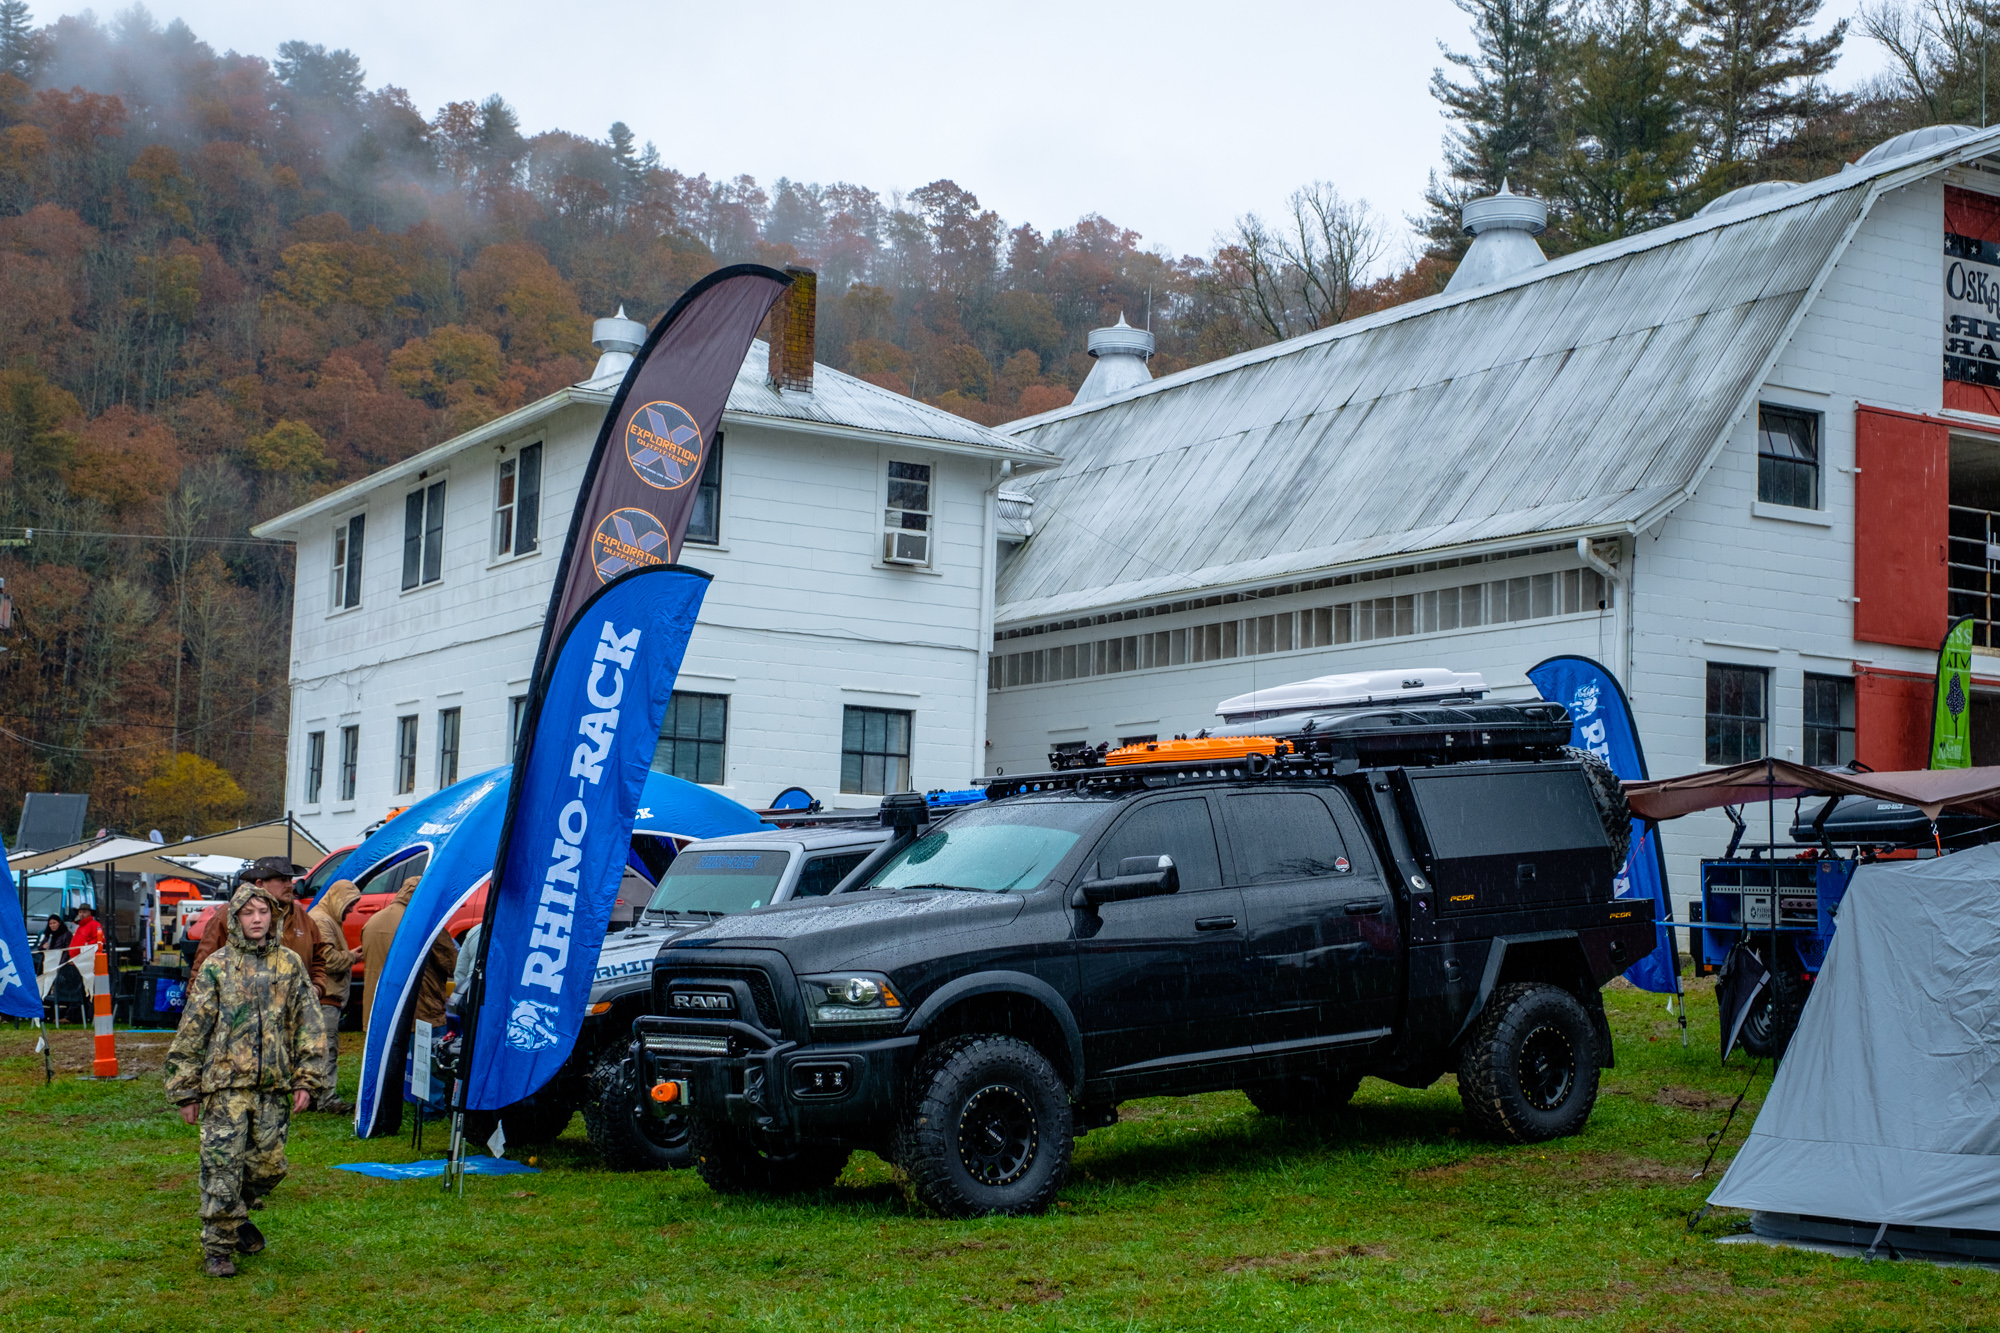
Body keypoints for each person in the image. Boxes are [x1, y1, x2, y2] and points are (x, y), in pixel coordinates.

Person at [163, 884, 331, 1278]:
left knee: (270, 1167)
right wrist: (185, 1089)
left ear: (274, 916)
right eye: (248, 912)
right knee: (222, 1169)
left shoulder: (289, 964)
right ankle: (218, 1249)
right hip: (225, 1089)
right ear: (235, 918)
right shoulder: (217, 966)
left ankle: (235, 1216)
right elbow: (193, 1030)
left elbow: (309, 1024)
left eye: (263, 912)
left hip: (273, 1087)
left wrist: (307, 1079)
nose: (257, 919)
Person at [192, 859, 329, 1007]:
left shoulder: (303, 918)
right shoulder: (227, 917)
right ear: (259, 884)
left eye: (290, 879)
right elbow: (202, 971)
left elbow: (319, 960)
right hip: (239, 1014)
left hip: (294, 1013)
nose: (290, 885)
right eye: (282, 879)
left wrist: (316, 988)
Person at [361, 877, 458, 1030]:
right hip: (419, 1011)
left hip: (379, 1012)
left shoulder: (372, 921)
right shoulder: (425, 921)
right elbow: (451, 964)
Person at [304, 879, 363, 1114]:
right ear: (338, 899)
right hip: (325, 997)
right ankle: (327, 1100)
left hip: (324, 997)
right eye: (350, 904)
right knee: (326, 1049)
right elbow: (327, 959)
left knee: (315, 1050)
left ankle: (311, 1096)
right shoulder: (323, 920)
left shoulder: (324, 917)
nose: (351, 909)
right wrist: (352, 957)